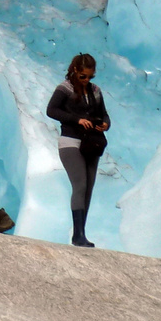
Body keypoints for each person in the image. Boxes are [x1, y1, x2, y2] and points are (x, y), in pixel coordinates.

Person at [46, 53, 110, 247]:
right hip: (70, 141)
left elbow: (104, 114)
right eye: (83, 76)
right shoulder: (65, 88)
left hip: (91, 143)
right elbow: (52, 110)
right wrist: (76, 119)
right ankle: (78, 235)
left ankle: (79, 234)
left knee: (88, 189)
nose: (87, 80)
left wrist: (105, 124)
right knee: (80, 185)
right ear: (75, 71)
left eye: (90, 77)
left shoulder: (96, 91)